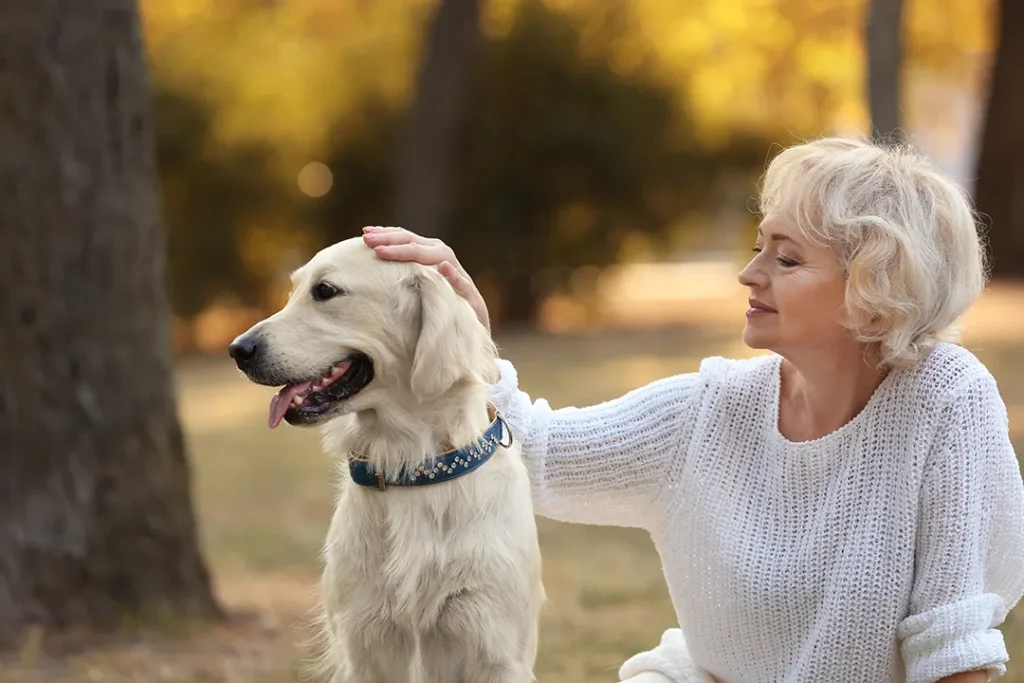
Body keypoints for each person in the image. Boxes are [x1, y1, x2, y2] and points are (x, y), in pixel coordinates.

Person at [361, 136, 1024, 683]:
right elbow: (532, 453)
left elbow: (954, 648)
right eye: (760, 244)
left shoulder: (945, 398)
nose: (749, 272)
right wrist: (468, 334)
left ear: (876, 286)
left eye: (786, 257)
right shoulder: (710, 412)